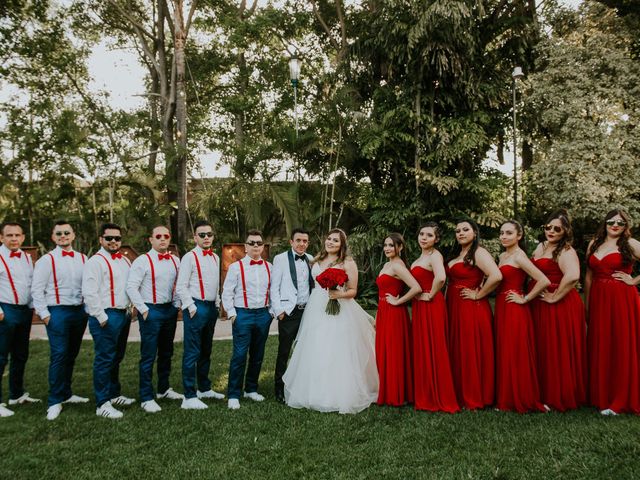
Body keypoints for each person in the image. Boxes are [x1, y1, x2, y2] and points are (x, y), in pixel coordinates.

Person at [283, 228, 378, 414]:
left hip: (339, 308)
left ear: (342, 244)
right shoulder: (316, 260)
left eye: (335, 240)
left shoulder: (347, 262)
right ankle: (315, 393)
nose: (331, 242)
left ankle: (338, 394)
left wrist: (338, 294)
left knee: (336, 348)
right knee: (316, 346)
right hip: (316, 307)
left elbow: (353, 291)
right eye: (329, 239)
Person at [529, 210, 587, 411]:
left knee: (555, 347)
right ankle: (541, 391)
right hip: (539, 301)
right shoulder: (540, 246)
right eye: (548, 227)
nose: (551, 231)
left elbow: (572, 276)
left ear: (565, 232)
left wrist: (554, 297)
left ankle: (558, 394)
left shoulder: (566, 251)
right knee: (542, 346)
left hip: (558, 303)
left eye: (557, 229)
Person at [31, 221, 89, 421]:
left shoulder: (83, 258)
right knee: (59, 355)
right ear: (53, 237)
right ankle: (54, 400)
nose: (63, 236)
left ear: (73, 235)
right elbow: (36, 289)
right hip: (57, 312)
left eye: (67, 232)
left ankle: (67, 393)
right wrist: (45, 315)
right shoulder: (46, 260)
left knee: (71, 354)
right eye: (59, 233)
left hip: (79, 312)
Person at [585, 209, 640, 415]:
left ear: (626, 226)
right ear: (605, 223)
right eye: (611, 222)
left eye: (620, 223)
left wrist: (633, 280)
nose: (615, 225)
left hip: (622, 299)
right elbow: (588, 277)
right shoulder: (594, 244)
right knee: (602, 343)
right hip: (599, 298)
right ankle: (602, 395)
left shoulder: (630, 244)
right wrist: (587, 305)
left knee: (620, 344)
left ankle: (621, 399)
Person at [127, 225, 183, 414]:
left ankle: (164, 389)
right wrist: (143, 310)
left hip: (169, 310)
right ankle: (146, 396)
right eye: (158, 236)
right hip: (150, 310)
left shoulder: (175, 260)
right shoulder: (143, 261)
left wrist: (176, 305)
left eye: (165, 236)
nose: (162, 239)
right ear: (151, 240)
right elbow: (131, 287)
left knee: (167, 351)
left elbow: (178, 285)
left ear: (169, 239)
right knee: (148, 354)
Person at [494, 220, 549, 413]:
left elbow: (543, 280)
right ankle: (506, 398)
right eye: (501, 233)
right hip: (502, 306)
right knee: (505, 351)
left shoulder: (519, 256)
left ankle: (522, 398)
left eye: (509, 233)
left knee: (515, 351)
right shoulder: (502, 255)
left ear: (519, 236)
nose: (503, 236)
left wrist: (525, 299)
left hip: (515, 308)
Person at [446, 219, 501, 410]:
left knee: (470, 349)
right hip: (455, 306)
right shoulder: (459, 254)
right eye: (457, 230)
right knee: (459, 348)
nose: (460, 233)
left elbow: (496, 275)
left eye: (465, 230)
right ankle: (460, 392)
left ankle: (475, 395)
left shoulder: (479, 252)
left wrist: (478, 294)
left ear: (475, 233)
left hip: (472, 307)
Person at [82, 223, 134, 419]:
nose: (113, 241)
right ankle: (102, 402)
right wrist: (101, 316)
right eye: (109, 238)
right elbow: (89, 292)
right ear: (101, 240)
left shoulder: (124, 261)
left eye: (117, 238)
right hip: (105, 315)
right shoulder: (95, 262)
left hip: (123, 314)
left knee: (116, 356)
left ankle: (114, 394)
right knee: (104, 358)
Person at [222, 229, 274, 410]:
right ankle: (234, 394)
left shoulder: (269, 267)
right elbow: (227, 292)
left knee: (258, 355)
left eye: (259, 243)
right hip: (242, 314)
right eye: (252, 243)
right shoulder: (236, 267)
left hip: (263, 315)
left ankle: (251, 389)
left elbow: (273, 291)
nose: (256, 246)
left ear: (263, 246)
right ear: (245, 247)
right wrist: (232, 313)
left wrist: (272, 312)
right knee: (239, 355)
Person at [410, 223, 459, 413]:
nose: (423, 237)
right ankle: (425, 392)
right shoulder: (420, 257)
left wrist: (430, 295)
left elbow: (440, 278)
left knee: (434, 346)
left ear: (436, 239)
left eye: (429, 235)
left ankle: (437, 394)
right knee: (423, 346)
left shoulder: (434, 255)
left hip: (431, 304)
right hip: (420, 305)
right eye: (421, 234)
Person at [176, 220, 224, 410]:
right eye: (202, 235)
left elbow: (215, 284)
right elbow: (181, 286)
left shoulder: (215, 257)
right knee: (192, 352)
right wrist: (191, 306)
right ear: (195, 237)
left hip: (211, 307)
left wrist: (218, 303)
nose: (206, 238)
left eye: (209, 234)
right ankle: (188, 396)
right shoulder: (189, 257)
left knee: (206, 350)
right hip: (196, 307)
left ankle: (204, 388)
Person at [375, 233, 421, 406]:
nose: (387, 248)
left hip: (394, 313)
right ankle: (387, 390)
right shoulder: (388, 264)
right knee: (384, 350)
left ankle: (396, 394)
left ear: (400, 247)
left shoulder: (398, 266)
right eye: (385, 245)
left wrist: (397, 301)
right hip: (383, 311)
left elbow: (416, 287)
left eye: (391, 245)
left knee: (393, 351)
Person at [270, 227, 314, 404]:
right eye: (299, 240)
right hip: (289, 313)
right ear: (291, 242)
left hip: (308, 312)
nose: (302, 244)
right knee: (284, 352)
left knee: (305, 351)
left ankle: (301, 385)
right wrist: (279, 311)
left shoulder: (311, 259)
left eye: (305, 241)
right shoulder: (280, 259)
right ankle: (279, 388)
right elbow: (274, 287)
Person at [0, 222, 39, 418]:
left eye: (17, 235)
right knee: (0, 357)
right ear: (1, 238)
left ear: (23, 237)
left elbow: (31, 284)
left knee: (20, 354)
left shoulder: (25, 257)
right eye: (9, 235)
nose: (14, 239)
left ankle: (16, 394)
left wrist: (34, 307)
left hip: (24, 311)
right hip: (5, 311)